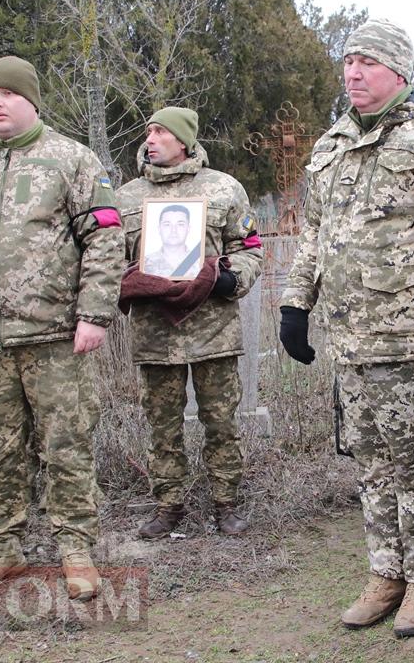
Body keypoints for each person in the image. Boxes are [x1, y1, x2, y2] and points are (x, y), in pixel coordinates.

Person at [279, 19, 414, 637]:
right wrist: (295, 303)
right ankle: (385, 572)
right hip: (351, 338)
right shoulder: (331, 145)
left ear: (399, 70)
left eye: (367, 62)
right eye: (348, 62)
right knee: (370, 460)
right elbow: (314, 232)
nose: (353, 73)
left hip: (408, 333)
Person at [0, 55, 124, 600]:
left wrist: (94, 314)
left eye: (7, 94)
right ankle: (1, 549)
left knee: (67, 445)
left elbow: (104, 241)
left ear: (31, 100)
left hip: (57, 338)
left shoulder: (71, 161)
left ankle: (76, 550)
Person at [116, 107, 263, 537]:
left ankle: (227, 505)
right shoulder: (127, 197)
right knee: (162, 427)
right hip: (154, 334)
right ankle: (168, 507)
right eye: (148, 131)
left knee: (221, 423)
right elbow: (106, 258)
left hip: (212, 329)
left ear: (183, 140)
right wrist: (127, 281)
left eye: (161, 131)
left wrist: (228, 277)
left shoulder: (223, 188)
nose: (151, 138)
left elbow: (250, 247)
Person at [143, 203, 202, 279]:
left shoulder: (200, 261)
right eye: (167, 224)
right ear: (159, 229)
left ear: (188, 229)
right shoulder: (145, 262)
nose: (173, 230)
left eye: (180, 224)